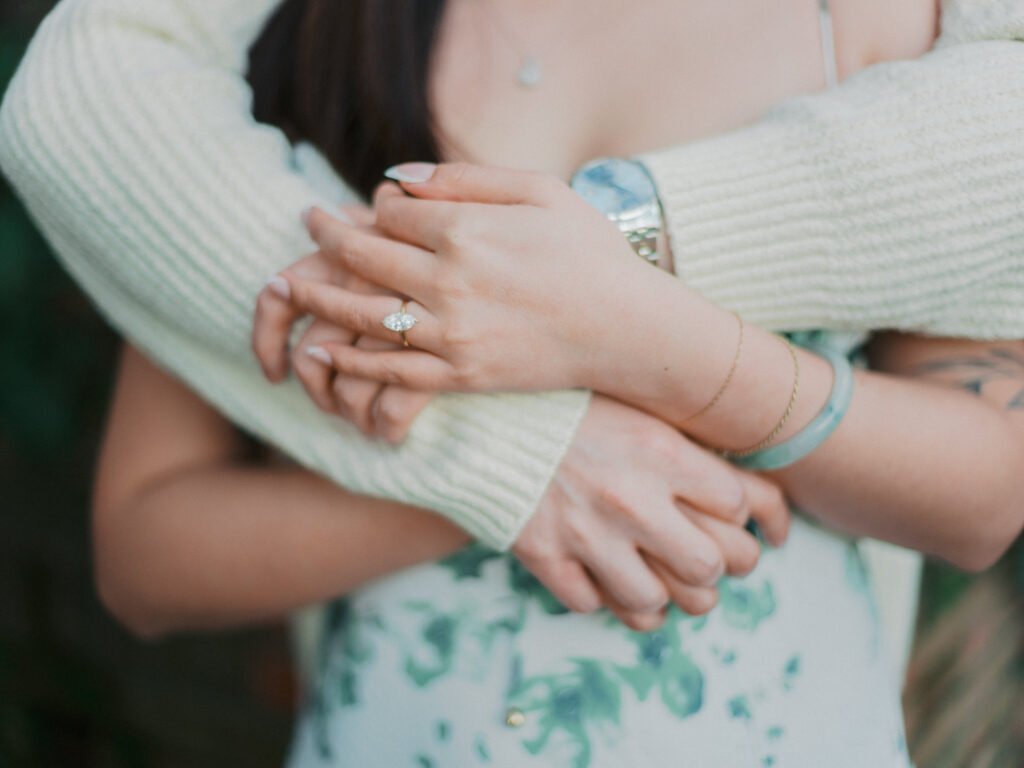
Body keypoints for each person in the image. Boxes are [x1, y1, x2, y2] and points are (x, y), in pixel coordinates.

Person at [12, 0, 1011, 766]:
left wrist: (652, 348)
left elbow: (986, 497)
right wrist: (524, 469)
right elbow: (145, 553)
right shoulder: (323, 34)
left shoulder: (885, 29)